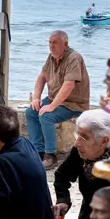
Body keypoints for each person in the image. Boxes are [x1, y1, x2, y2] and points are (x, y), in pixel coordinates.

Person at [26, 31, 91, 169]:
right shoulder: (51, 57)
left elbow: (69, 85)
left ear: (65, 44)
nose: (51, 46)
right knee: (31, 112)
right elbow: (41, 77)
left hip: (73, 104)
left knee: (46, 116)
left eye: (54, 43)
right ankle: (38, 152)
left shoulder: (74, 57)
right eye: (49, 42)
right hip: (54, 99)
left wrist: (51, 106)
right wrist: (36, 98)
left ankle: (51, 156)